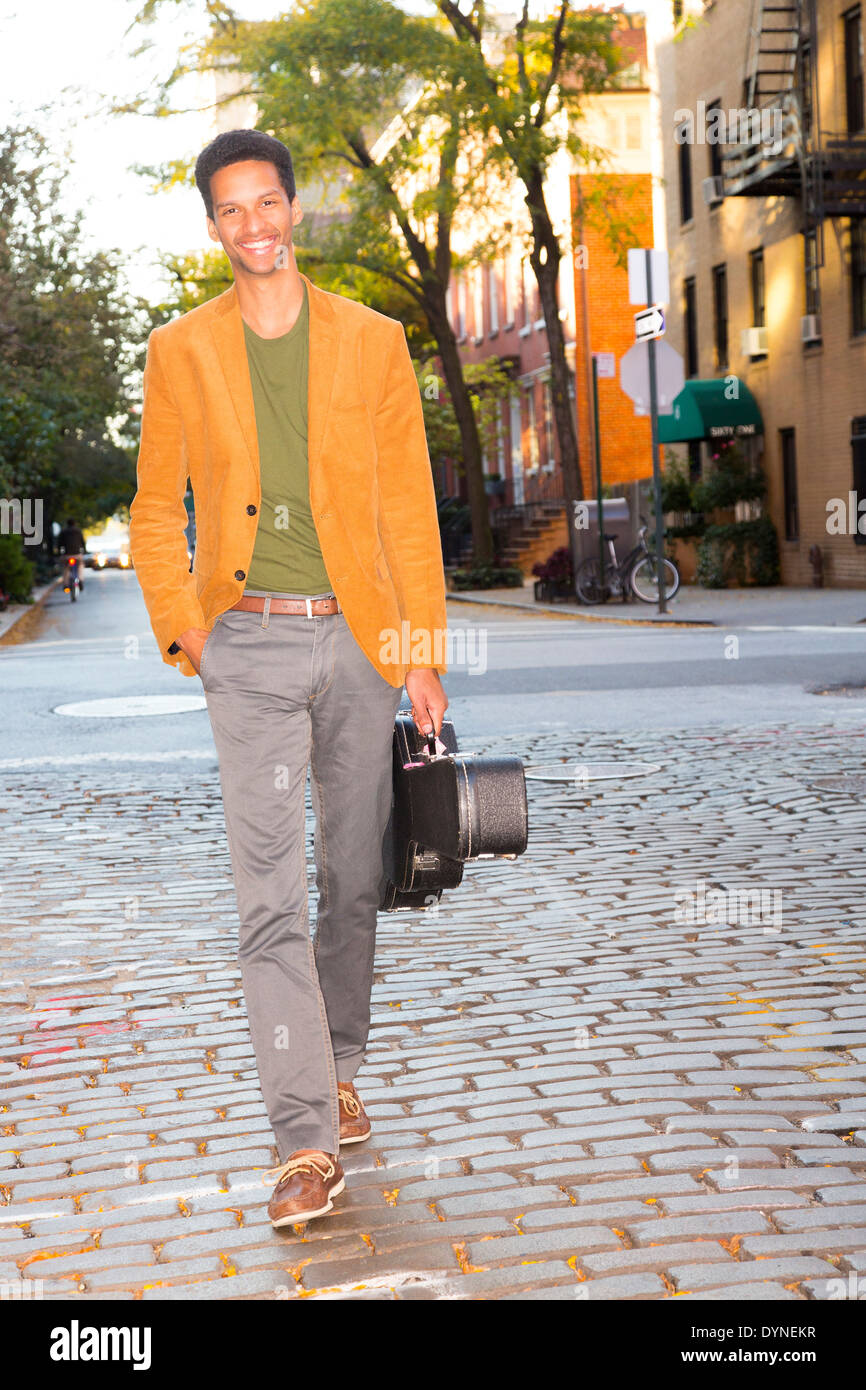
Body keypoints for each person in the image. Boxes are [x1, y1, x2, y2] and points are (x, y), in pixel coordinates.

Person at [129, 129, 449, 1229]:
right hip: (249, 649)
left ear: (295, 210)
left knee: (351, 879)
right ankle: (302, 1140)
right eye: (232, 210)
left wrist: (419, 662)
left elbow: (407, 508)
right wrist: (191, 634)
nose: (253, 225)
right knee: (268, 900)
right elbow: (149, 508)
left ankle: (341, 1062)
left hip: (358, 642)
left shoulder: (372, 341)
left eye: (268, 203)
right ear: (212, 226)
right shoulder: (180, 349)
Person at [57, 517, 85, 590]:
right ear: (74, 523)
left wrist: (59, 553)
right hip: (77, 554)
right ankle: (80, 579)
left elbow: (59, 544)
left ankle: (66, 584)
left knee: (66, 568)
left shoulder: (63, 532)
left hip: (67, 555)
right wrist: (84, 550)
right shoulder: (78, 531)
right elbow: (82, 542)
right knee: (80, 565)